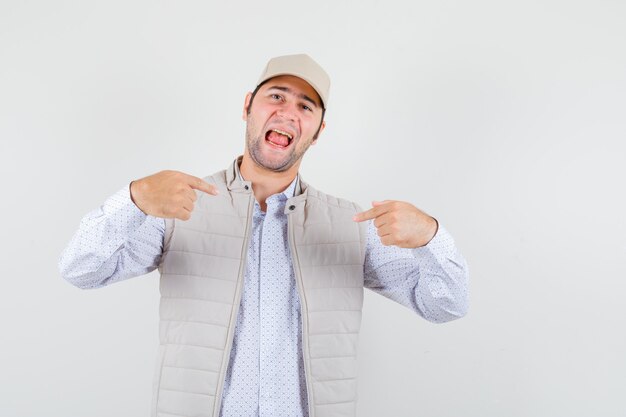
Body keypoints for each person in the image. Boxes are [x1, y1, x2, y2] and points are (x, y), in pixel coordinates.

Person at [59, 53, 469, 417]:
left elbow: (445, 306)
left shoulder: (351, 225)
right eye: (276, 96)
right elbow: (81, 270)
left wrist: (431, 237)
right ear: (247, 107)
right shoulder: (179, 206)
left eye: (305, 106)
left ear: (318, 130)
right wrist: (132, 200)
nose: (288, 112)